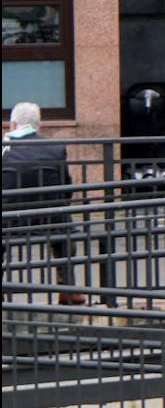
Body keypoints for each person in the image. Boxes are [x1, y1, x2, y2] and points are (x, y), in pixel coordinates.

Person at [1, 102, 86, 305]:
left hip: (8, 221)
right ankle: (68, 288)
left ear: (12, 125)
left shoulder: (5, 149)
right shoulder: (56, 148)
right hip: (49, 219)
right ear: (39, 125)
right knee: (66, 233)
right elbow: (66, 187)